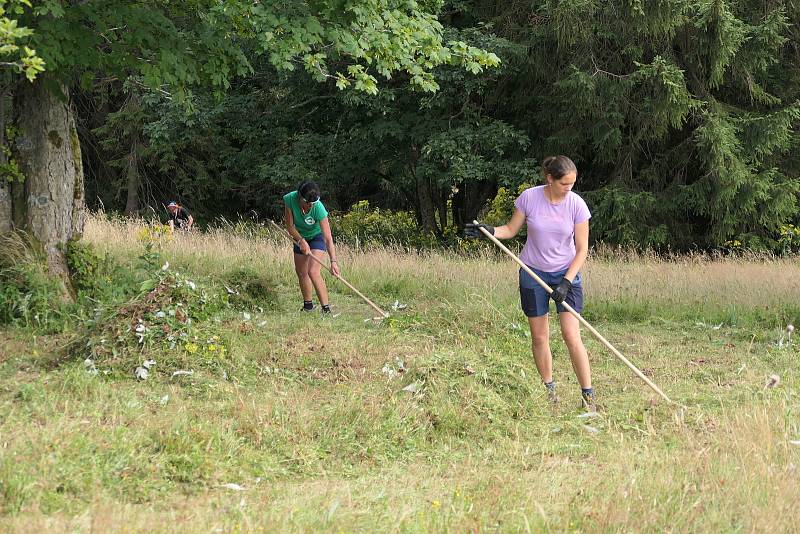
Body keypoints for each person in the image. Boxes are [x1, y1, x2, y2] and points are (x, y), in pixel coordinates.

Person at [465, 156, 595, 410]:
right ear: (549, 179)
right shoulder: (529, 198)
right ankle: (550, 391)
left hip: (565, 274)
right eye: (564, 183)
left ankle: (587, 396)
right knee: (539, 336)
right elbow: (510, 230)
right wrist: (489, 231)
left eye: (572, 183)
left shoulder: (577, 205)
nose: (569, 188)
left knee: (571, 334)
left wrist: (566, 283)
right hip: (532, 272)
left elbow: (582, 250)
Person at [283, 181, 340, 314]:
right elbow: (290, 226)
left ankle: (326, 310)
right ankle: (308, 306)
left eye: (313, 204)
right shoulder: (290, 199)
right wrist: (301, 241)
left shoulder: (318, 208)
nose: (310, 206)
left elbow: (328, 238)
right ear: (300, 198)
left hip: (316, 237)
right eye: (307, 203)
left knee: (313, 271)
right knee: (301, 272)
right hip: (299, 237)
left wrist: (333, 262)